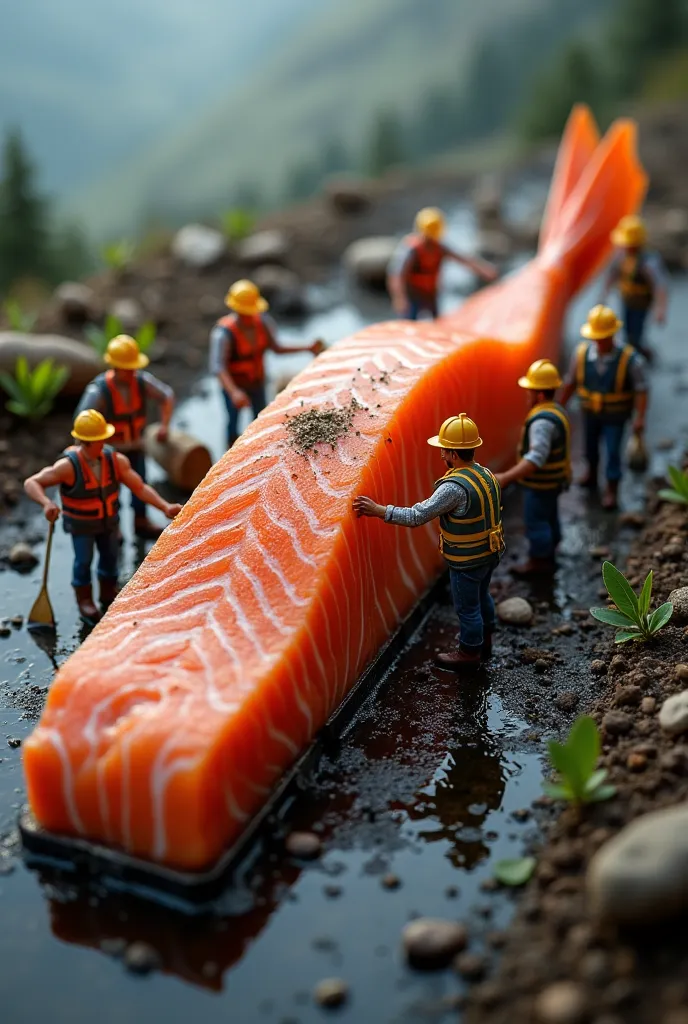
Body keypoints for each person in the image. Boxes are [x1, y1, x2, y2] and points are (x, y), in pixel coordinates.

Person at [353, 413, 504, 672]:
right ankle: (485, 640)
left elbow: (416, 516)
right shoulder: (486, 474)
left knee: (467, 608)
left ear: (453, 454)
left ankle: (470, 652)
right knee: (482, 596)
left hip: (467, 560)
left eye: (443, 450)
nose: (441, 455)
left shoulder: (453, 488)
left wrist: (379, 510)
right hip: (491, 552)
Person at [24, 410, 182, 625]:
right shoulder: (68, 467)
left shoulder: (115, 461)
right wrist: (46, 503)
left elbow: (140, 487)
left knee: (110, 558)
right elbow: (32, 483)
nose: (104, 443)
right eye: (98, 440)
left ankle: (107, 593)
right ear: (85, 442)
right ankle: (85, 600)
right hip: (82, 526)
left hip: (108, 523)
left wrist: (164, 506)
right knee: (83, 561)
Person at [75, 334, 174, 540]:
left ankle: (141, 522)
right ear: (115, 366)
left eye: (132, 367)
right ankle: (113, 529)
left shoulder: (141, 381)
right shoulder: (99, 391)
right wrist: (85, 453)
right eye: (126, 368)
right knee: (110, 494)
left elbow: (166, 395)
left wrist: (165, 425)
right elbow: (81, 420)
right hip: (110, 451)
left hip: (136, 446)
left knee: (140, 485)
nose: (131, 372)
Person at [209, 279, 324, 447]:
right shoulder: (223, 335)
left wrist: (306, 348)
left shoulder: (263, 323)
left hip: (257, 383)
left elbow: (277, 348)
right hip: (235, 385)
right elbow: (218, 368)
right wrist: (234, 392)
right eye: (244, 313)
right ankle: (229, 454)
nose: (248, 317)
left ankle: (260, 452)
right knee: (233, 424)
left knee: (260, 421)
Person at [558, 305, 648, 511]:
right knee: (589, 447)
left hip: (616, 416)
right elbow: (571, 382)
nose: (599, 341)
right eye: (596, 337)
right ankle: (591, 473)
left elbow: (642, 389)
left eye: (604, 336)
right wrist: (559, 406)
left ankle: (611, 488)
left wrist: (639, 417)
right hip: (589, 413)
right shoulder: (581, 354)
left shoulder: (629, 359)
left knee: (613, 450)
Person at [495, 359, 570, 577]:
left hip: (541, 484)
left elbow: (535, 458)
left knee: (535, 521)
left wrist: (506, 477)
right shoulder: (557, 411)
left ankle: (540, 560)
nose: (526, 396)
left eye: (529, 391)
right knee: (550, 516)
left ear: (538, 394)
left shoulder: (541, 422)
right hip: (554, 481)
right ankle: (551, 548)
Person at [387, 207, 498, 320]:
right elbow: (397, 274)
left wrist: (484, 269)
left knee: (437, 321)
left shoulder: (439, 248)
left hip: (430, 294)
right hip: (413, 295)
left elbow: (463, 259)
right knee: (409, 322)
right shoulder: (411, 250)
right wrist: (400, 298)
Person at [602, 214, 668, 360]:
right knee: (624, 332)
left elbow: (660, 286)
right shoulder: (622, 256)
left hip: (641, 304)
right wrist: (604, 295)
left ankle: (638, 360)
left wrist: (660, 309)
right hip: (626, 300)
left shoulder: (648, 261)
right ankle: (631, 357)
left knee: (635, 334)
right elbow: (612, 275)